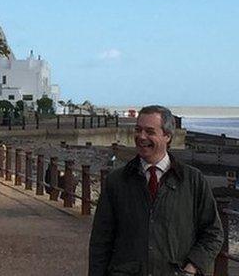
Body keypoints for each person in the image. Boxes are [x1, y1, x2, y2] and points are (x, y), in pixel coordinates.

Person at [89, 105, 224, 275]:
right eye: (138, 130)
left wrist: (191, 268)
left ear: (167, 135)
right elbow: (100, 242)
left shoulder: (192, 180)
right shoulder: (116, 182)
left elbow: (213, 233)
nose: (141, 137)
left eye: (150, 131)